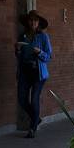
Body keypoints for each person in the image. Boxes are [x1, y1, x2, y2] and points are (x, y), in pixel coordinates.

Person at [16, 9, 52, 138]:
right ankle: (36, 118)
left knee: (34, 99)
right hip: (25, 71)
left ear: (39, 23)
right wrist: (18, 50)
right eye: (31, 20)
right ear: (27, 21)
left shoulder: (43, 37)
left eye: (35, 20)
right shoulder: (23, 36)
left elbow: (48, 56)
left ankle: (33, 128)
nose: (33, 22)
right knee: (21, 99)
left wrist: (39, 52)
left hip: (38, 72)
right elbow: (19, 57)